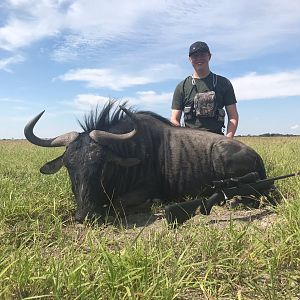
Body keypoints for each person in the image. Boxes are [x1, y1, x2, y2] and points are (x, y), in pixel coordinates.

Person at [171, 41, 238, 138]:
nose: (199, 59)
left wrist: (228, 139)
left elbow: (233, 116)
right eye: (195, 56)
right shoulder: (182, 86)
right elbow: (174, 119)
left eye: (202, 55)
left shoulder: (224, 83)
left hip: (217, 139)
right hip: (190, 140)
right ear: (190, 59)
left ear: (209, 56)